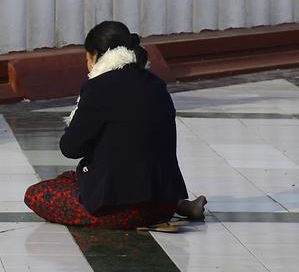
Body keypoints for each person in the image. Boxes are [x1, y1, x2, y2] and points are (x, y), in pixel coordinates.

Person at [24, 20, 206, 229]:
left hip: (123, 209)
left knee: (37, 194)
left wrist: (78, 117)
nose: (87, 65)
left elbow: (71, 148)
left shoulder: (98, 88)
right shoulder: (156, 84)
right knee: (70, 178)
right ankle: (180, 206)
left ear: (95, 56)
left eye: (87, 58)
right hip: (164, 202)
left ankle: (144, 217)